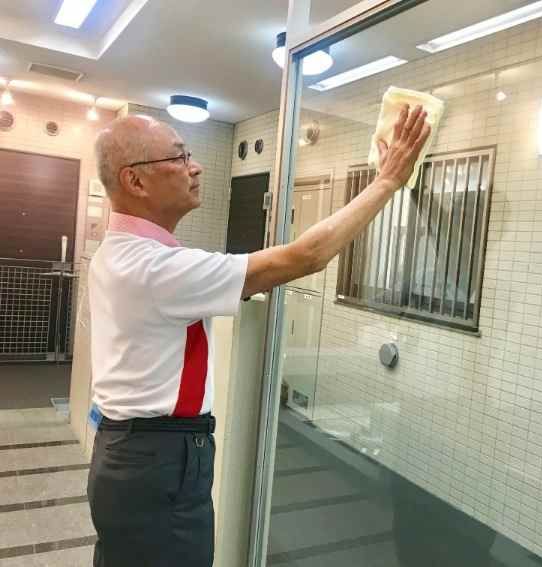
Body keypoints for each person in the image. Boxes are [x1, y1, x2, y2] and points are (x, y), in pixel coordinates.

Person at [87, 105, 430, 566]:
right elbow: (306, 256)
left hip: (136, 454)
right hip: (157, 458)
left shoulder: (123, 255)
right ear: (135, 181)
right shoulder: (152, 267)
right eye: (179, 156)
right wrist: (386, 182)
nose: (195, 166)